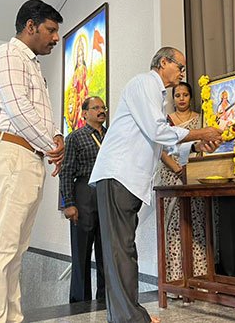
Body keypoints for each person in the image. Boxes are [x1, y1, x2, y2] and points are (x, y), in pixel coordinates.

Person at [89, 47, 223, 323]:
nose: (183, 73)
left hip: (126, 179)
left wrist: (195, 145)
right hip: (118, 175)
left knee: (122, 249)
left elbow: (157, 141)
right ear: (163, 62)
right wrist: (201, 132)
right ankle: (130, 318)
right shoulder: (144, 83)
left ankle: (126, 316)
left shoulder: (155, 93)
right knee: (121, 251)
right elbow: (158, 131)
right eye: (180, 67)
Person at [0, 0, 65, 323]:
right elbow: (18, 109)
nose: (56, 38)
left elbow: (41, 113)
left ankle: (12, 318)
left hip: (28, 156)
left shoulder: (32, 64)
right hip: (10, 152)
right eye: (51, 30)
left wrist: (57, 136)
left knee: (15, 251)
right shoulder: (8, 55)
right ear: (31, 26)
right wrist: (52, 145)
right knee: (0, 248)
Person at [155, 82, 208, 283]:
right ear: (173, 98)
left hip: (195, 175)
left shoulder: (200, 119)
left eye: (185, 95)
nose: (181, 99)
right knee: (175, 225)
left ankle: (200, 278)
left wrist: (193, 170)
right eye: (177, 95)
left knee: (198, 223)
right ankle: (176, 279)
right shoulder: (166, 121)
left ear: (191, 97)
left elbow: (204, 146)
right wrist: (178, 169)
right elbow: (161, 149)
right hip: (173, 175)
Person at [59, 96, 107, 303]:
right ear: (85, 113)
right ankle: (80, 303)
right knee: (82, 251)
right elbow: (66, 172)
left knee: (106, 250)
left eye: (103, 107)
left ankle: (105, 299)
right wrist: (69, 203)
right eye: (95, 107)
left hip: (107, 193)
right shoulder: (75, 137)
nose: (101, 110)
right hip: (84, 191)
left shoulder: (111, 136)